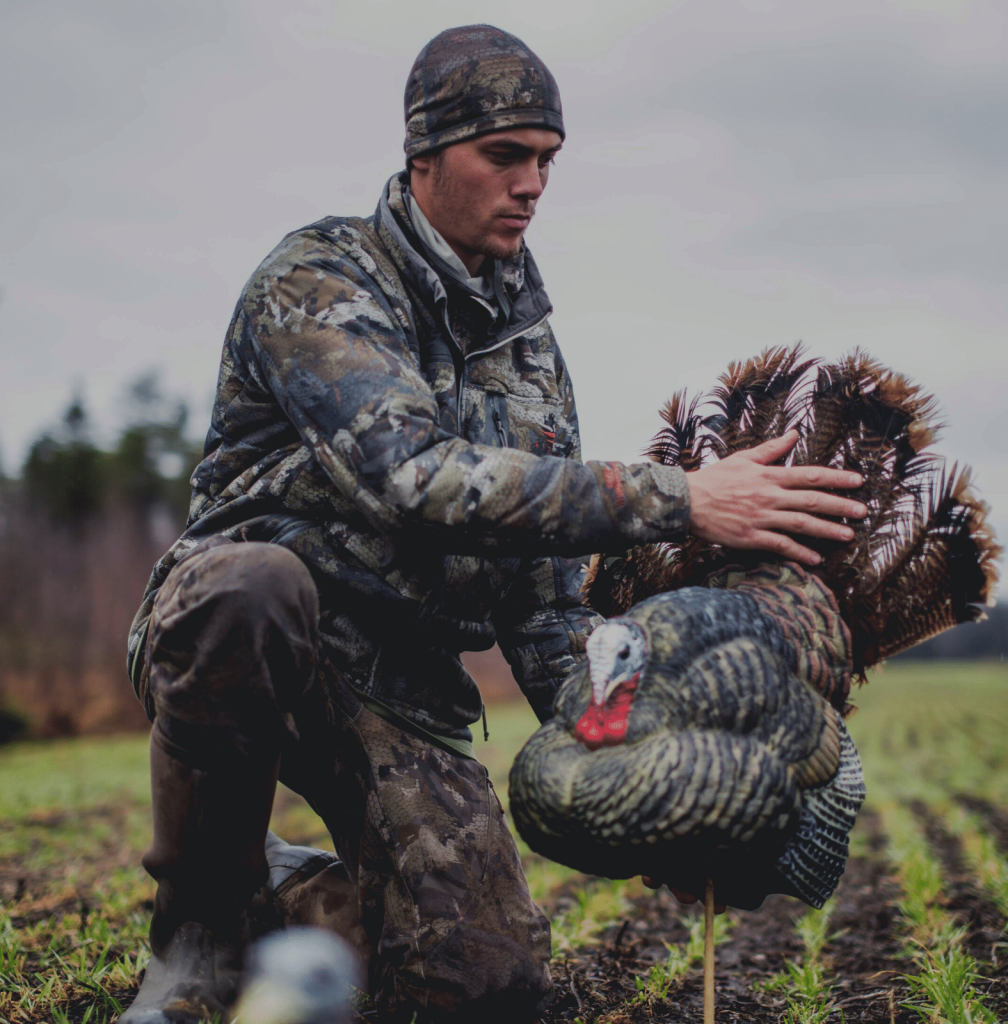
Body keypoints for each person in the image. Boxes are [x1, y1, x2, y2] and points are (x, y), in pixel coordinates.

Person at [122, 24, 867, 1024]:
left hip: (399, 689)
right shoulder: (319, 282)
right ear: (424, 155)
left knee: (487, 989)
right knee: (248, 587)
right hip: (250, 638)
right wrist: (682, 495)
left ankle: (269, 886)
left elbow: (543, 604)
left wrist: (654, 762)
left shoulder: (531, 359)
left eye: (546, 161)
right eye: (504, 156)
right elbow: (411, 477)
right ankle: (196, 941)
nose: (531, 185)